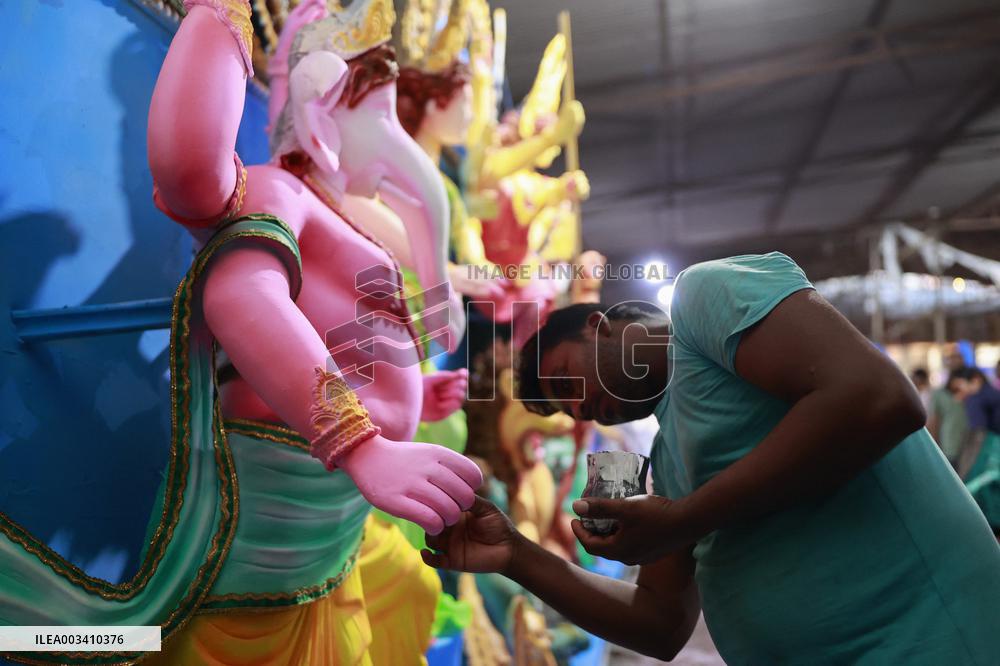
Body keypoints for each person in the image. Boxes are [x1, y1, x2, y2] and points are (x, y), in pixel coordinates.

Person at [422, 252, 1000, 665]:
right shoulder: (668, 457)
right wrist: (516, 556)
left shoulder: (701, 301)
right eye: (564, 409)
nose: (580, 409)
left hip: (923, 637)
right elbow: (659, 623)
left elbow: (879, 398)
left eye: (566, 380)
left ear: (600, 325)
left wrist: (686, 518)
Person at [948, 366, 1000, 531]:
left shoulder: (975, 399)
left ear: (976, 380)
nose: (958, 394)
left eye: (960, 387)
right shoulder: (993, 394)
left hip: (990, 452)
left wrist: (964, 469)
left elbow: (978, 435)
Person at [928, 347, 969, 467]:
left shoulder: (972, 392)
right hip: (949, 446)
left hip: (971, 446)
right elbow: (934, 421)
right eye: (952, 360)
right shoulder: (939, 394)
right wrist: (934, 448)